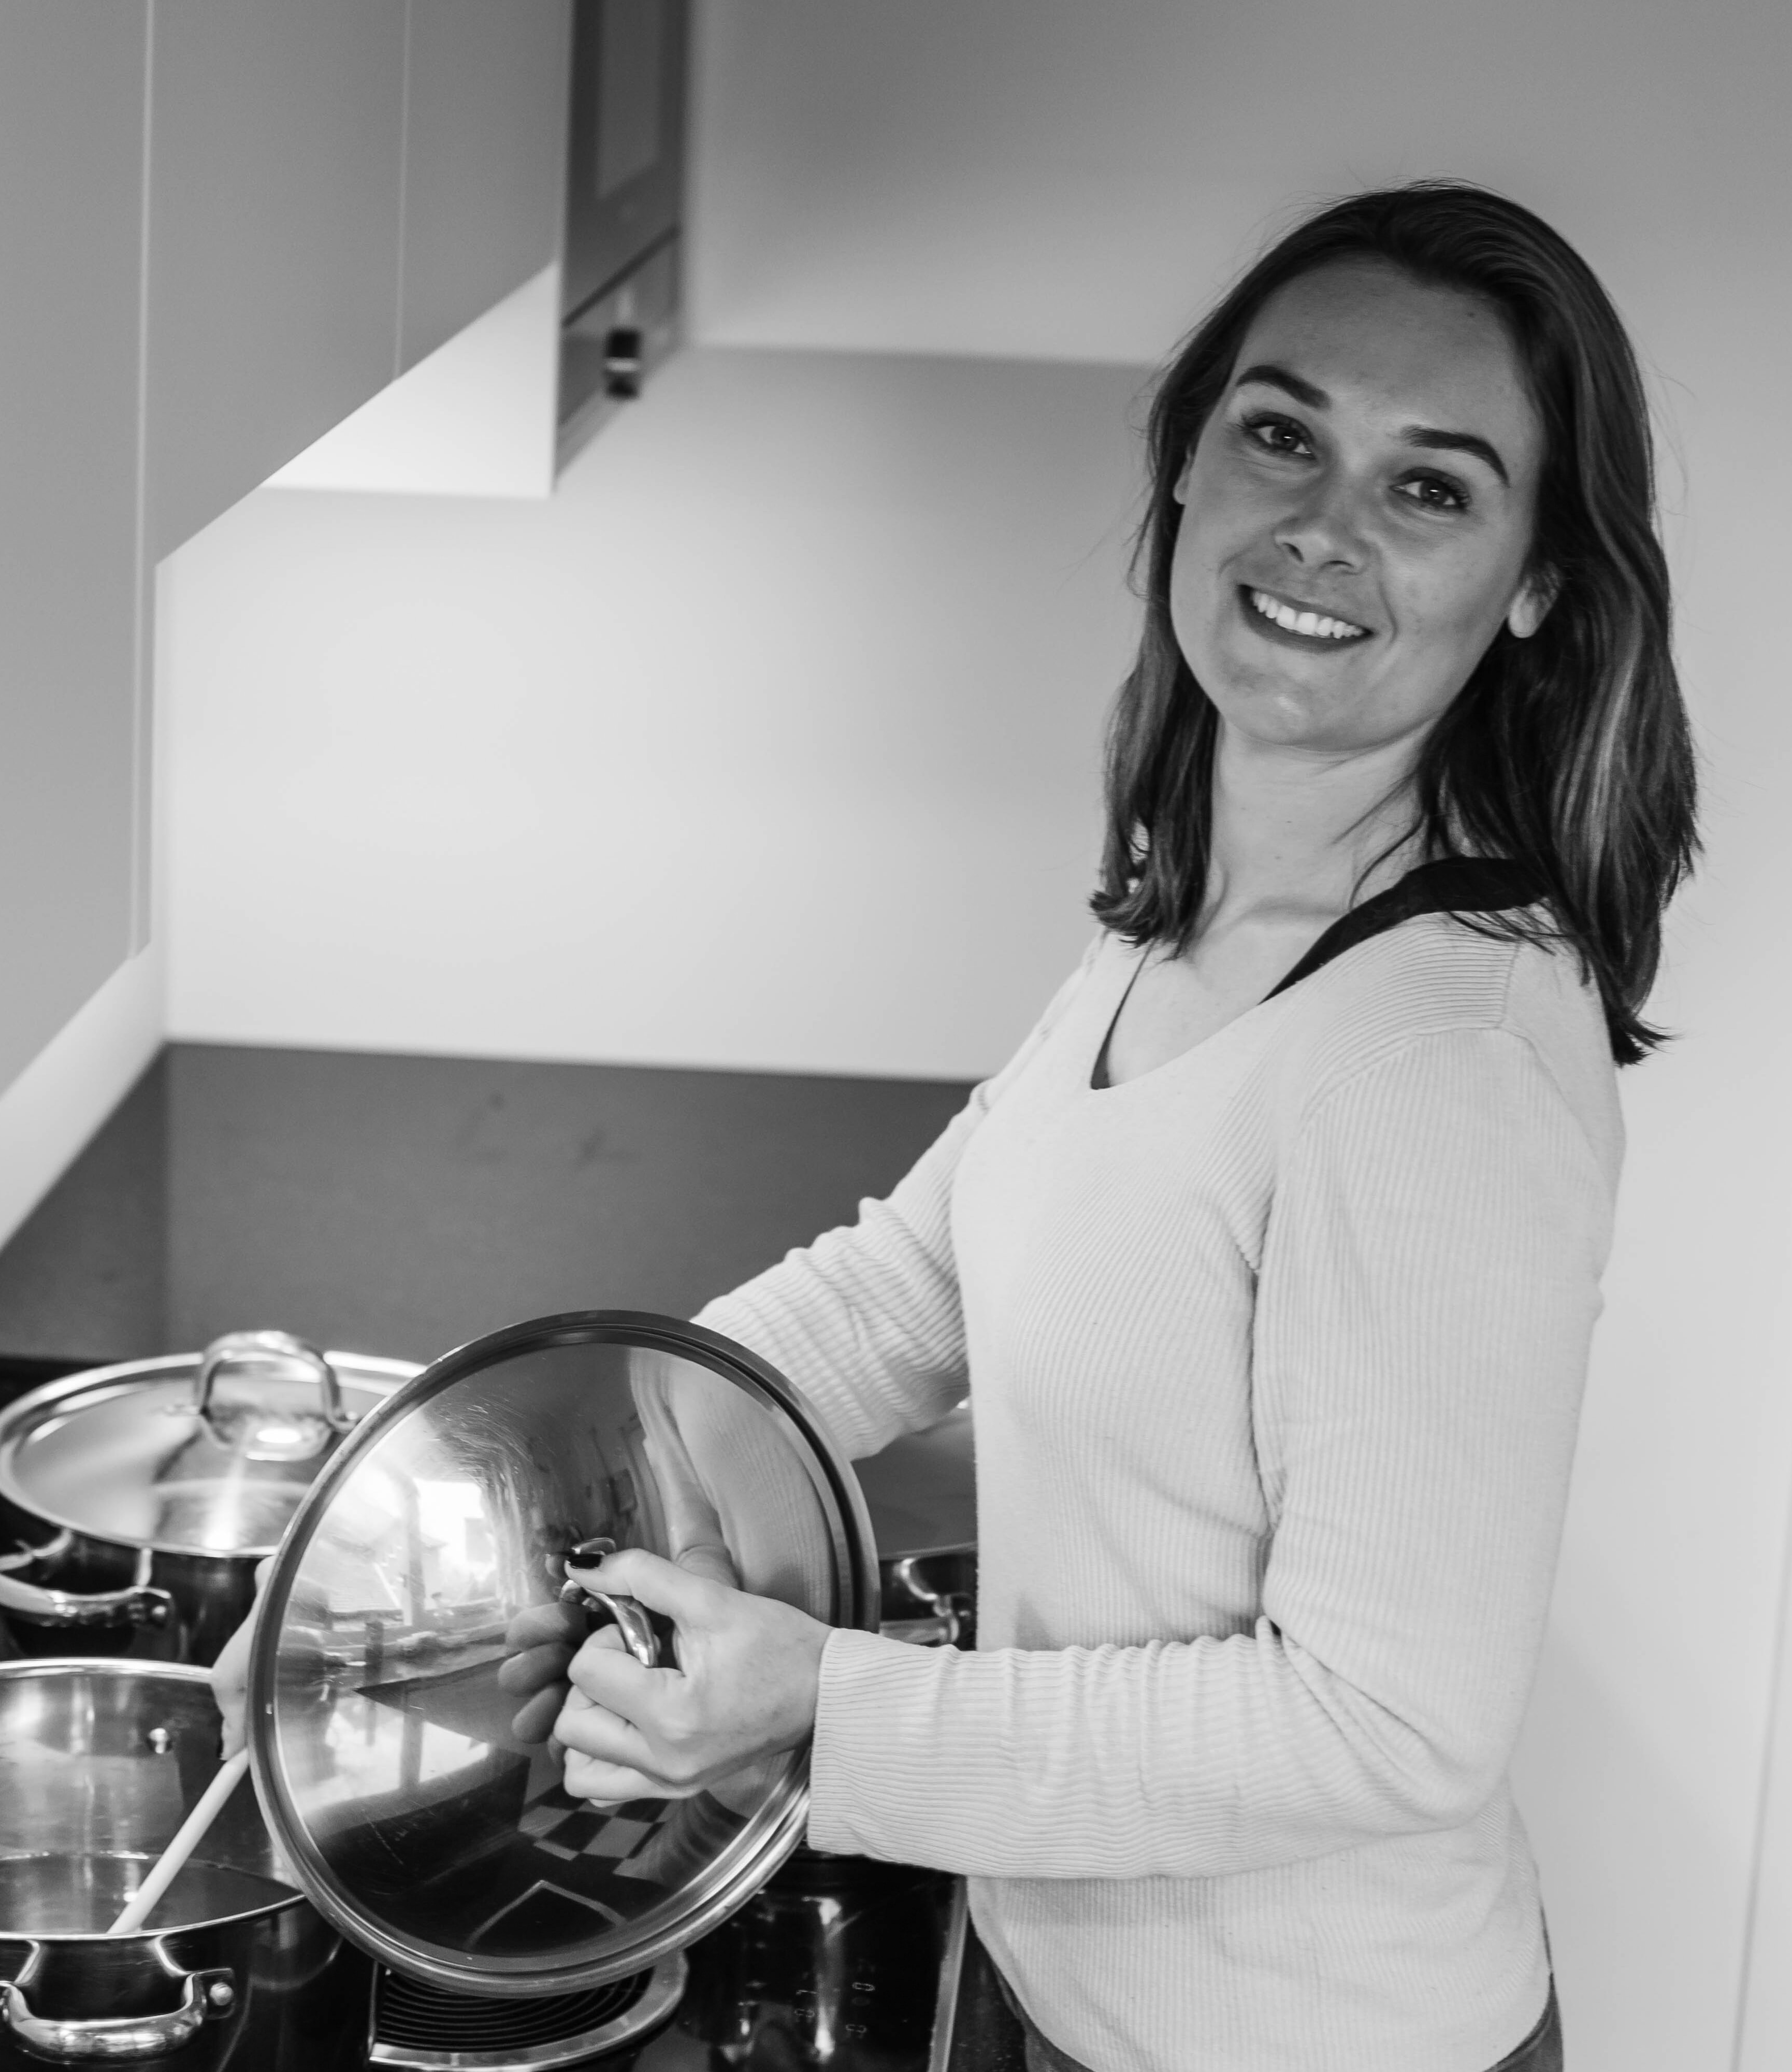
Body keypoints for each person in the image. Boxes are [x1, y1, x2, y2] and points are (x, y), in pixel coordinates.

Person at [223, 181, 1699, 2071]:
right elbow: (906, 1286)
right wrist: (425, 1547)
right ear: (1189, 466)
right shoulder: (1204, 910)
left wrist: (822, 1709)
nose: (1325, 528)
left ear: (1538, 584)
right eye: (1282, 434)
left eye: (1432, 487)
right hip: (1052, 1981)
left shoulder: (1443, 1062)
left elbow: (1389, 1725)